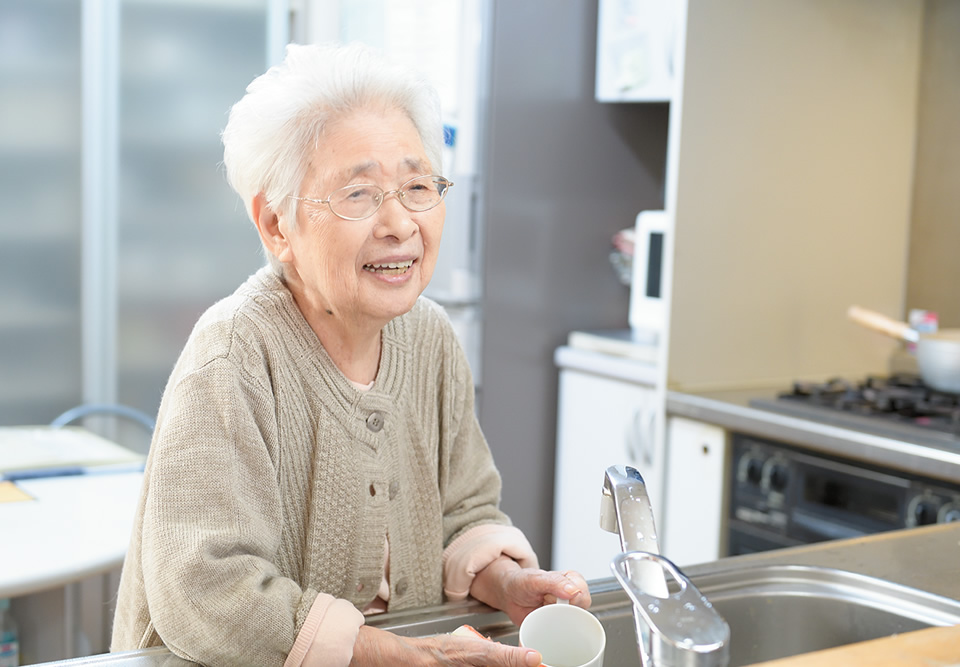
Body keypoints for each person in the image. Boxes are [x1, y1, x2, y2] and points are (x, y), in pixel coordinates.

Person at [111, 42, 590, 667]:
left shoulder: (430, 338)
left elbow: (465, 509)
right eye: (360, 195)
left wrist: (505, 582)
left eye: (419, 186)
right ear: (278, 225)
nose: (400, 223)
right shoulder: (234, 355)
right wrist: (390, 653)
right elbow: (205, 590)